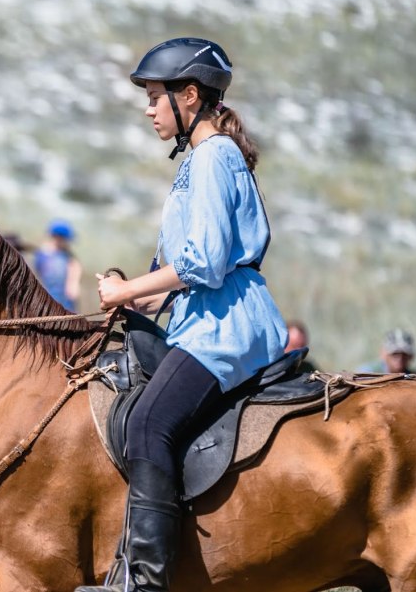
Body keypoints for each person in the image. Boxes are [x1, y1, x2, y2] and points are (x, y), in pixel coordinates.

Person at [76, 38, 288, 592]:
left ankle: (143, 583)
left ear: (188, 95)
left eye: (154, 97)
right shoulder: (202, 158)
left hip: (227, 329)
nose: (149, 109)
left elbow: (206, 262)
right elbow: (196, 270)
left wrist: (127, 291)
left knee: (149, 422)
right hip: (204, 317)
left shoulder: (215, 156)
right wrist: (146, 297)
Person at [33, 219, 82, 312]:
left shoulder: (71, 260)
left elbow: (73, 288)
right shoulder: (42, 254)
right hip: (50, 298)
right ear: (58, 237)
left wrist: (74, 284)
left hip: (61, 301)